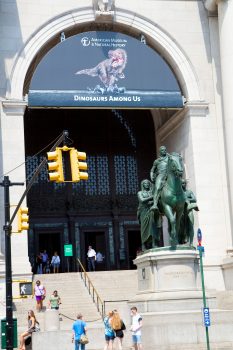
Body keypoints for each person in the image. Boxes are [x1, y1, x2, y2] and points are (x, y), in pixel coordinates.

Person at [150, 145, 170, 211]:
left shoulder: (170, 158)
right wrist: (151, 175)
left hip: (169, 175)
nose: (164, 151)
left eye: (165, 150)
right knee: (157, 188)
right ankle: (155, 204)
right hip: (161, 175)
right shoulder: (157, 161)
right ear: (160, 152)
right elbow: (152, 170)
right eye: (162, 150)